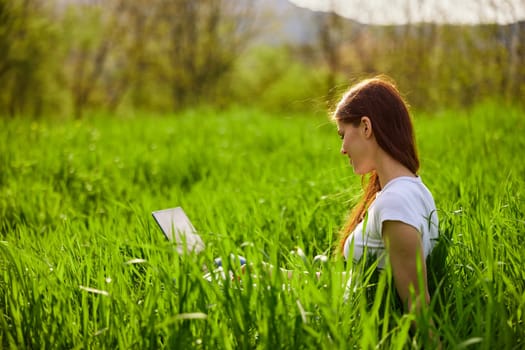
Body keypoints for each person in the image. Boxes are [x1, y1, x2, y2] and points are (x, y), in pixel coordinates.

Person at [333, 76, 439, 314]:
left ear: (366, 127)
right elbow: (362, 283)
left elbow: (418, 309)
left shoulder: (395, 204)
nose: (342, 149)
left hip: (334, 320)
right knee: (236, 268)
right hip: (332, 307)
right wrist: (281, 275)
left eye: (343, 135)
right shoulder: (413, 190)